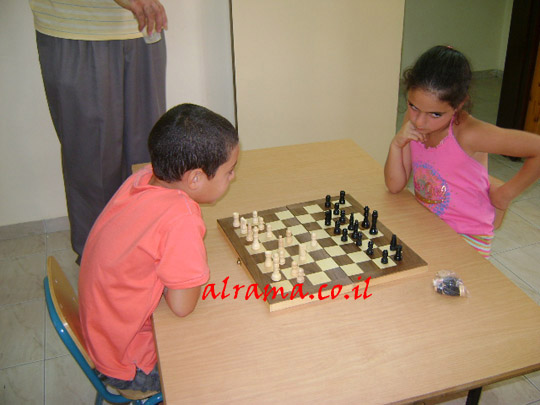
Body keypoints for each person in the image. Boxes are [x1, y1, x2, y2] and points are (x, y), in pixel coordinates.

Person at [78, 103, 240, 393]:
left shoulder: (143, 177)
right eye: (229, 171)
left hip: (101, 333)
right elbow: (182, 307)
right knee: (224, 361)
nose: (233, 177)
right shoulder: (181, 218)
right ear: (195, 179)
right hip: (127, 361)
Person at [29, 0, 168, 263]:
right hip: (77, 29)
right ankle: (100, 268)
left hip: (142, 28)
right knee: (93, 166)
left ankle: (142, 261)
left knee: (149, 162)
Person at [384, 45, 540, 258]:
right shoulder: (415, 120)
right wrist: (396, 144)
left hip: (468, 235)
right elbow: (394, 186)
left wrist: (505, 195)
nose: (420, 122)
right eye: (413, 106)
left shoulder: (469, 134)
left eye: (435, 114)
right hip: (428, 222)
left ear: (459, 104)